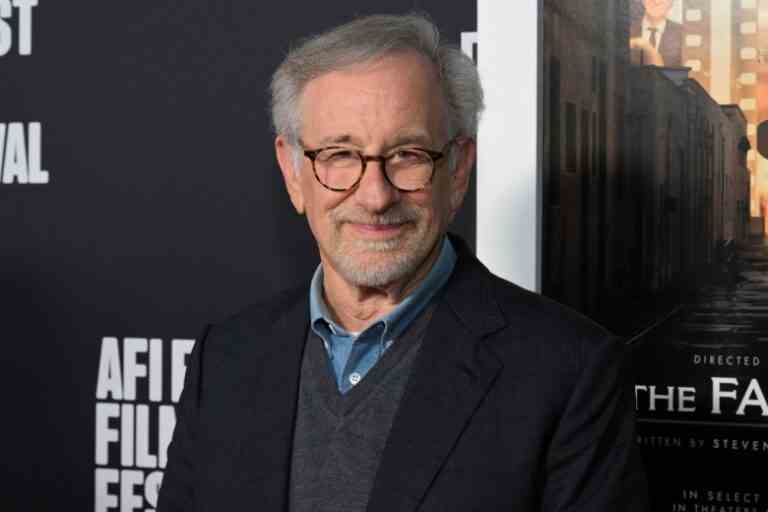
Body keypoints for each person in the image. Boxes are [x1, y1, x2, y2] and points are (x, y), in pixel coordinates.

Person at [157, 13, 649, 512]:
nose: (375, 195)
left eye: (408, 154)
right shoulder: (225, 360)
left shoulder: (568, 373)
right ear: (292, 171)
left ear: (457, 171)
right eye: (340, 154)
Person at [630, 0, 683, 67]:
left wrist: (647, 47)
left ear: (671, 2)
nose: (656, 1)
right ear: (643, 1)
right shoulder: (625, 30)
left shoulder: (684, 34)